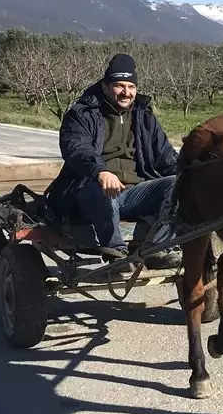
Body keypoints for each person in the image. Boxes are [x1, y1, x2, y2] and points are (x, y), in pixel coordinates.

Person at [46, 53, 183, 269]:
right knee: (103, 189)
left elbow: (165, 156)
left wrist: (194, 172)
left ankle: (158, 250)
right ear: (105, 86)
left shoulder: (144, 116)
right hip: (89, 191)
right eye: (120, 85)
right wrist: (100, 171)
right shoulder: (82, 114)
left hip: (135, 194)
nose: (126, 92)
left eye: (131, 86)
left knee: (178, 183)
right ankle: (117, 253)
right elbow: (76, 149)